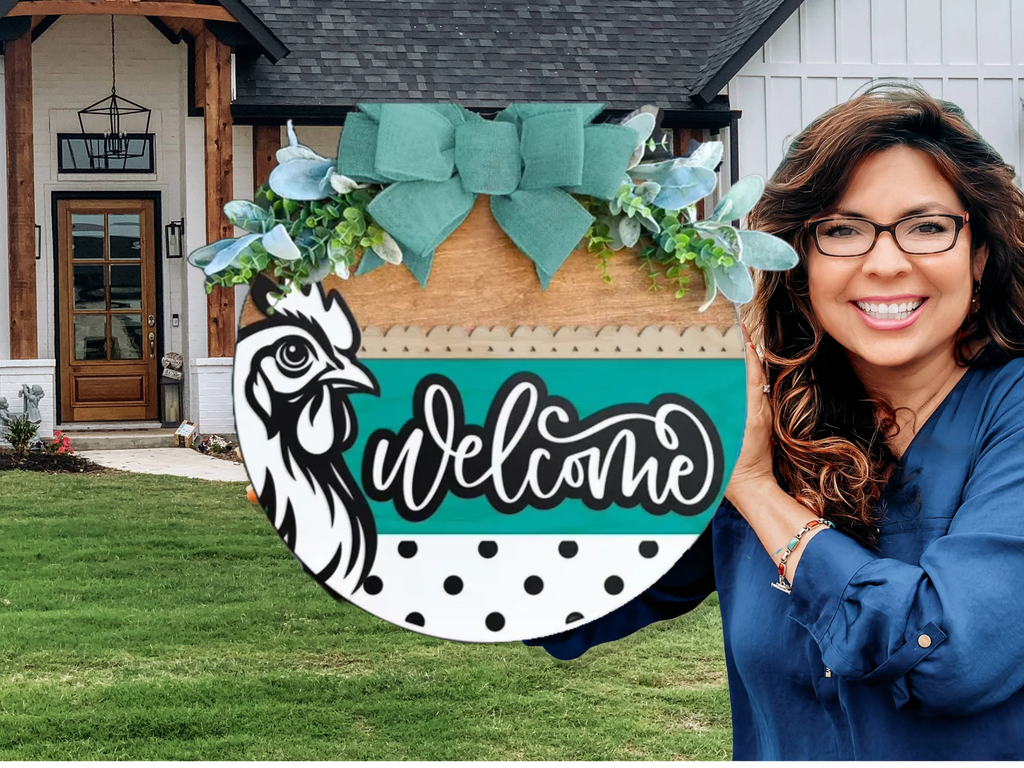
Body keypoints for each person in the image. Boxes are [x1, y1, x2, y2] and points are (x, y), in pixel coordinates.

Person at [525, 82, 1024, 761]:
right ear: (800, 261)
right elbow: (574, 597)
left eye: (927, 227)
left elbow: (952, 655)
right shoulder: (768, 414)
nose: (884, 262)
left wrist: (758, 489)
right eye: (842, 230)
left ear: (981, 252)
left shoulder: (1010, 414)